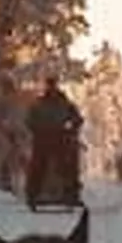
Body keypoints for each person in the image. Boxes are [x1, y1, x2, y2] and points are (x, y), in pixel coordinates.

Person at [24, 74, 84, 209]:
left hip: (60, 138)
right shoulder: (39, 103)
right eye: (49, 84)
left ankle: (71, 195)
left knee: (68, 166)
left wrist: (71, 129)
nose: (51, 87)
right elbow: (29, 120)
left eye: (53, 84)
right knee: (37, 166)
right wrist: (36, 129)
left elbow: (77, 119)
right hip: (43, 138)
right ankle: (33, 195)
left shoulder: (64, 102)